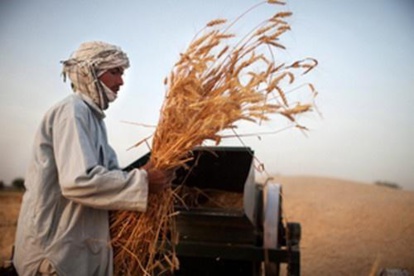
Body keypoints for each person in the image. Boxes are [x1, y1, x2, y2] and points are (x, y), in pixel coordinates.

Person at [13, 41, 172, 276]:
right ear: (90, 73)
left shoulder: (93, 119)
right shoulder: (72, 111)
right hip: (54, 255)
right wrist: (144, 182)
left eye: (122, 73)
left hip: (72, 252)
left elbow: (106, 177)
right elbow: (78, 181)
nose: (121, 82)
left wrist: (144, 172)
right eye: (115, 72)